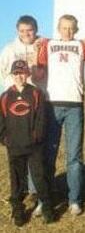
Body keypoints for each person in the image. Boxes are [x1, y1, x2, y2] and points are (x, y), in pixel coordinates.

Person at [37, 14, 85, 215]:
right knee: (49, 153)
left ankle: (74, 199)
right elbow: (37, 69)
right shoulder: (48, 44)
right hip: (51, 104)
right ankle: (43, 199)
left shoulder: (82, 45)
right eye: (64, 27)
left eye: (71, 28)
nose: (67, 31)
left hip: (74, 105)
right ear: (58, 28)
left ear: (76, 29)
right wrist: (37, 43)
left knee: (74, 156)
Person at [0, 60, 54, 226]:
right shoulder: (5, 96)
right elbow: (1, 121)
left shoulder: (36, 93)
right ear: (12, 75)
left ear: (27, 74)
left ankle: (47, 208)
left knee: (39, 177)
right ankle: (18, 211)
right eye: (16, 73)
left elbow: (42, 117)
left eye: (22, 73)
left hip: (33, 146)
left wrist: (37, 136)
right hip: (14, 146)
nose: (19, 76)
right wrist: (5, 138)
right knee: (17, 181)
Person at [0, 15, 46, 92]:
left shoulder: (45, 46)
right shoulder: (9, 49)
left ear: (36, 29)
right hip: (15, 96)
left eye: (29, 30)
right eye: (22, 31)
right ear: (17, 31)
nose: (26, 34)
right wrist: (9, 85)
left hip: (38, 95)